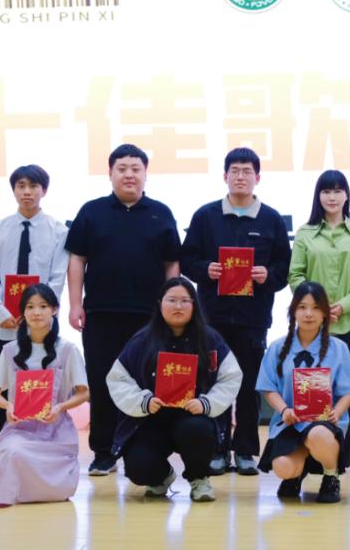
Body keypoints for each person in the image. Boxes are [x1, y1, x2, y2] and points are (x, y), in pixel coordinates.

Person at [65, 143, 181, 476]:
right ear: (110, 173)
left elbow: (172, 264)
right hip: (101, 313)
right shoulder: (92, 212)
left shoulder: (161, 213)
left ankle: (140, 449)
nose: (129, 174)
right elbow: (77, 259)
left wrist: (171, 309)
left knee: (146, 383)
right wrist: (75, 304)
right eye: (122, 168)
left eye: (135, 169)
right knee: (102, 382)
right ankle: (103, 452)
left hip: (149, 317)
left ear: (145, 173)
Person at [180, 147, 291, 476]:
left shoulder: (271, 218)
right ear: (225, 176)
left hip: (252, 319)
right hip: (211, 319)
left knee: (248, 385)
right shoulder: (205, 216)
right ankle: (216, 450)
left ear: (258, 177)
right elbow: (187, 260)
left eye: (247, 171)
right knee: (213, 383)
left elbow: (285, 268)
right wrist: (206, 269)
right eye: (235, 171)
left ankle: (244, 450)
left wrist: (267, 275)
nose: (241, 177)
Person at [106, 278, 243, 502]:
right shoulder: (142, 340)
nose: (178, 306)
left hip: (193, 417)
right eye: (171, 300)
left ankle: (199, 478)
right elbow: (117, 378)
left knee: (197, 430)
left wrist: (206, 403)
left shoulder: (210, 339)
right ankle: (162, 476)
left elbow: (231, 377)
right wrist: (143, 401)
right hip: (151, 419)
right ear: (160, 303)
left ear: (194, 305)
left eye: (185, 301)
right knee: (139, 467)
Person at [0, 164, 68, 454]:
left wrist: (39, 313)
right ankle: (0, 446)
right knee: (2, 386)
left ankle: (39, 443)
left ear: (44, 190)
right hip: (3, 325)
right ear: (14, 190)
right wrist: (1, 312)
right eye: (21, 186)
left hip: (42, 325)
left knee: (41, 383)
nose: (27, 192)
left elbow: (57, 277)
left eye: (33, 186)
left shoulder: (58, 231)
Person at [0, 284, 89, 507]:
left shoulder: (67, 350)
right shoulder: (10, 350)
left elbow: (84, 393)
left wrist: (59, 408)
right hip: (20, 428)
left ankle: (49, 489)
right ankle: (15, 493)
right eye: (30, 307)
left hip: (56, 429)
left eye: (43, 306)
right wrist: (9, 406)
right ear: (23, 313)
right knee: (14, 452)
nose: (36, 312)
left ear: (54, 310)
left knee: (35, 457)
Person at [256, 282, 350, 503]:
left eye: (316, 307)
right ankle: (296, 473)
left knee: (317, 435)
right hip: (290, 421)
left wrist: (338, 411)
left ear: (325, 313)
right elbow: (268, 387)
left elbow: (349, 390)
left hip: (324, 423)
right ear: (293, 311)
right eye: (302, 307)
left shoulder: (339, 348)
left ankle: (331, 475)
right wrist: (284, 410)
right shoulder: (277, 347)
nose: (309, 314)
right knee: (283, 467)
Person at [289, 169, 350, 370]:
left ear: (347, 195)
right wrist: (318, 306)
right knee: (311, 384)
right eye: (326, 191)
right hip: (311, 322)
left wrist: (342, 306)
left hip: (348, 322)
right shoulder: (304, 233)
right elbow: (295, 276)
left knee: (346, 384)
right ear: (318, 196)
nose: (332, 197)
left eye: (337, 191)